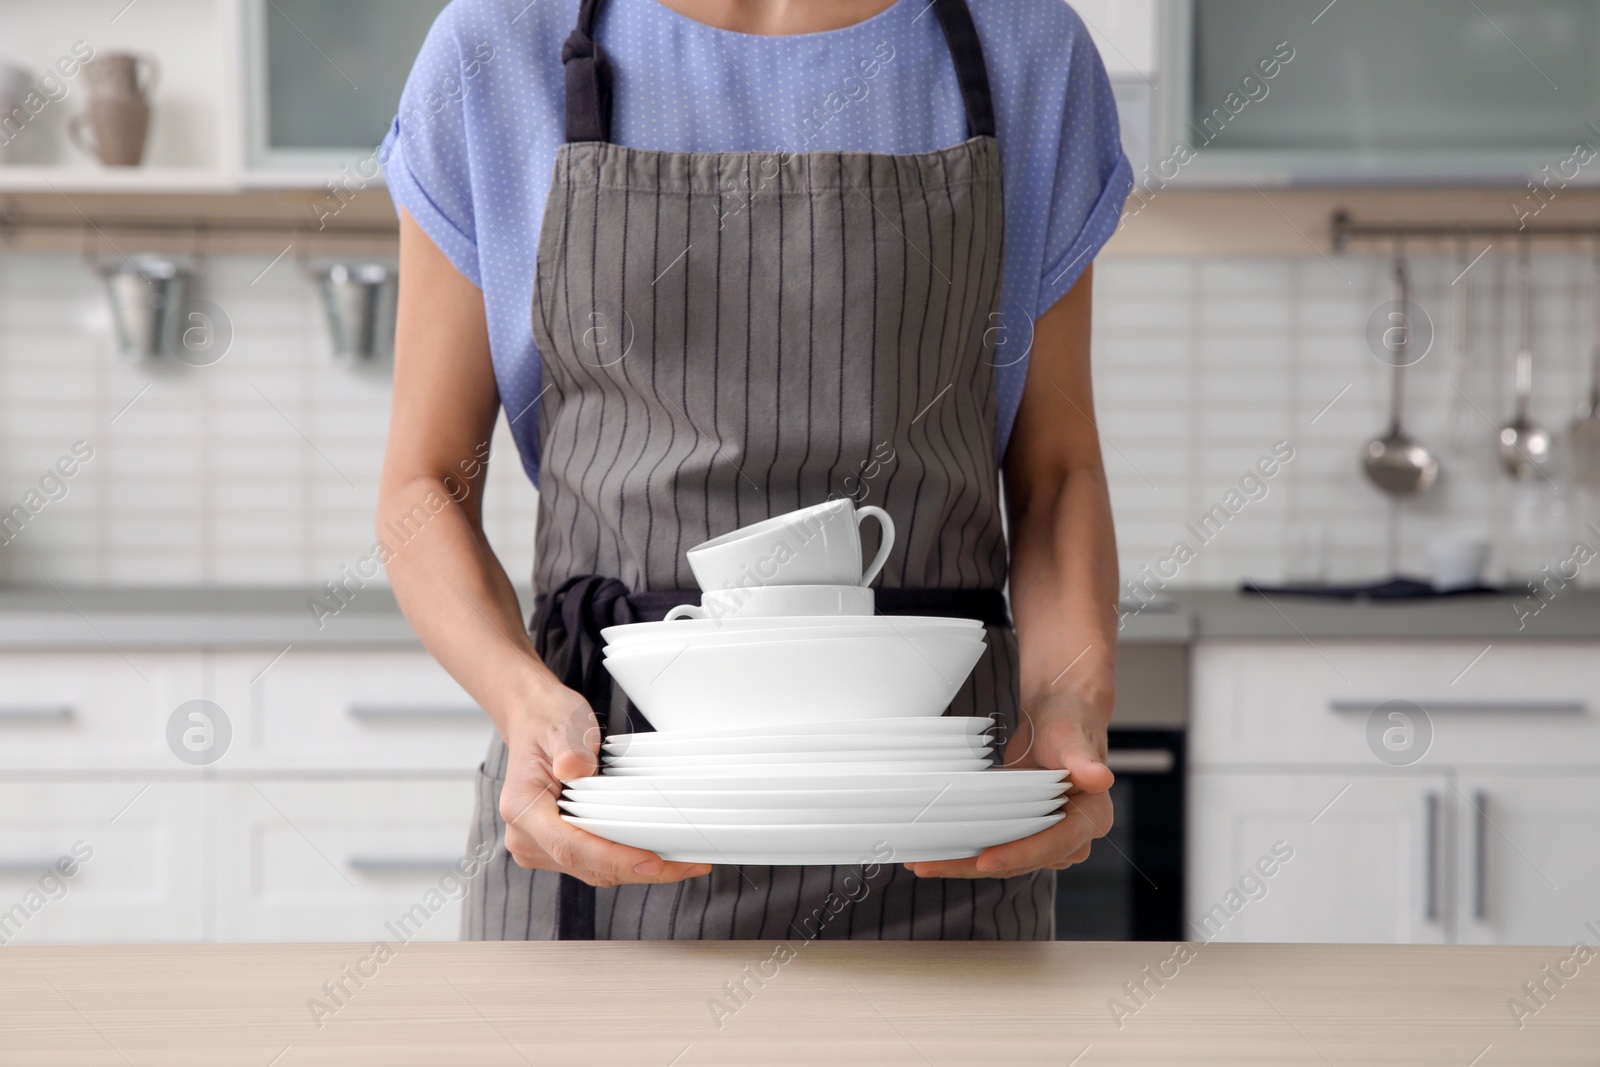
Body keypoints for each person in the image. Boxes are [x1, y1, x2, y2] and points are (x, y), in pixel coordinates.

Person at [377, 0, 1132, 940]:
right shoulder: (497, 44)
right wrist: (521, 699)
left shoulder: (1026, 47)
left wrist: (1067, 702)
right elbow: (425, 483)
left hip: (947, 839)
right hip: (610, 821)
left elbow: (1057, 476)